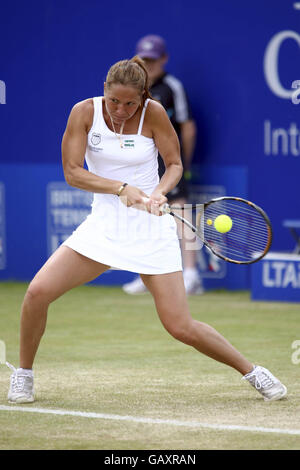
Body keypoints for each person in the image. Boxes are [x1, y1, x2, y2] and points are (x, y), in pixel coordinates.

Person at [7, 56, 287, 404]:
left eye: (130, 103)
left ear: (143, 97)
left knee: (179, 326)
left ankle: (254, 372)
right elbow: (72, 172)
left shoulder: (154, 113)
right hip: (104, 228)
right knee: (37, 293)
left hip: (152, 230)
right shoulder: (83, 113)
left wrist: (158, 192)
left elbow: (174, 164)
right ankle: (24, 374)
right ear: (103, 91)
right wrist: (121, 189)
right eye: (114, 101)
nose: (121, 110)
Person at [123, 35, 202, 295]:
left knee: (180, 215)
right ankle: (144, 274)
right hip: (141, 164)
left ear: (163, 59)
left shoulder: (173, 87)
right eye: (144, 60)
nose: (148, 64)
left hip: (169, 163)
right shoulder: (130, 90)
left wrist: (183, 163)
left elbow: (187, 126)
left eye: (153, 60)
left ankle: (191, 275)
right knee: (142, 216)